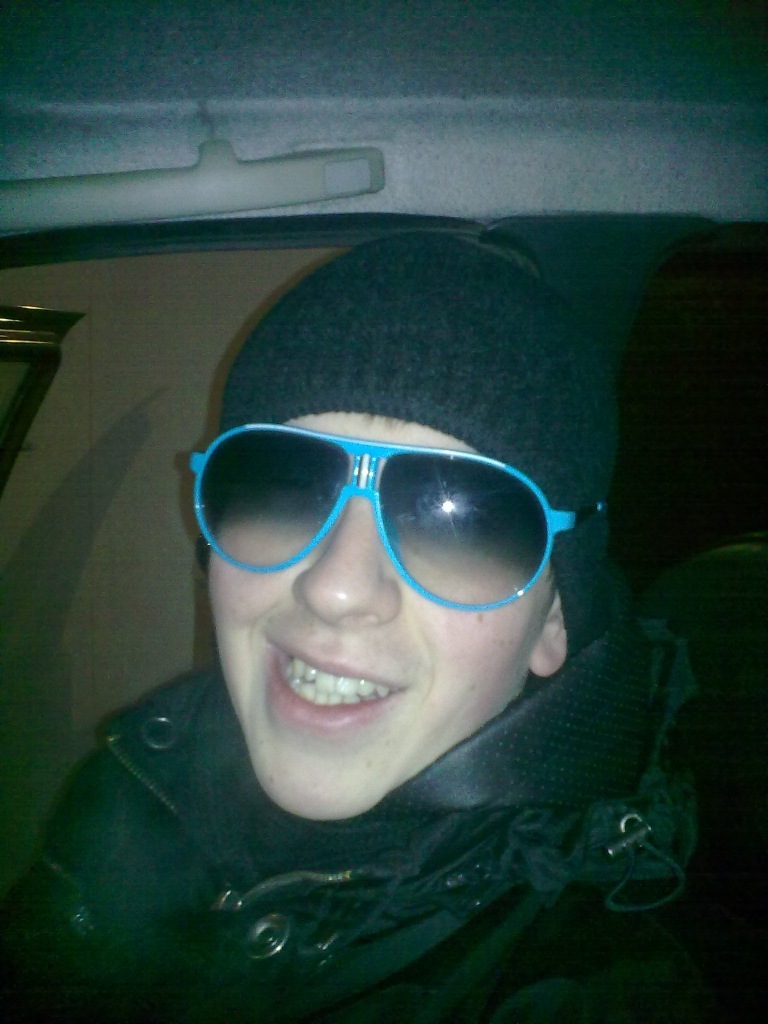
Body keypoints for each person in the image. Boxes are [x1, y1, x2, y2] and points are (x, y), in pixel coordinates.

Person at [1, 232, 703, 1022]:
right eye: (285, 486)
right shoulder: (126, 789)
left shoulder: (596, 989)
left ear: (557, 619)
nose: (335, 588)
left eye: (460, 521)